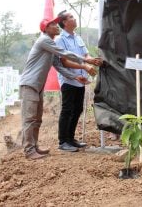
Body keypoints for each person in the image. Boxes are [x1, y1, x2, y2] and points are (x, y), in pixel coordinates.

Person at [19, 16, 98, 160]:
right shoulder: (45, 40)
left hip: (38, 86)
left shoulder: (50, 45)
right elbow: (65, 54)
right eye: (53, 24)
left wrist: (75, 77)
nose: (57, 26)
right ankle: (29, 150)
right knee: (29, 119)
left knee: (37, 119)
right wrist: (85, 60)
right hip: (29, 85)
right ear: (46, 28)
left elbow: (58, 66)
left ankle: (34, 146)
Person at [55, 11, 103, 152]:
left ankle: (70, 138)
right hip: (69, 79)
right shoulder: (60, 39)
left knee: (77, 109)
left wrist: (92, 60)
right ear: (64, 22)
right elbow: (64, 61)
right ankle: (63, 141)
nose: (74, 18)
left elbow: (85, 54)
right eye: (71, 17)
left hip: (80, 80)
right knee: (67, 109)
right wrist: (85, 65)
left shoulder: (77, 37)